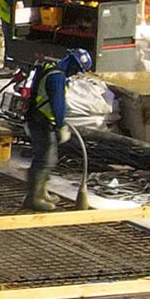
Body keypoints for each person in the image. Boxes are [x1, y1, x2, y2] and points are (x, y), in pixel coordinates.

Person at [22, 49, 94, 212]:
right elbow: (57, 103)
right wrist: (61, 125)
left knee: (47, 157)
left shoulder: (51, 69)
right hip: (41, 122)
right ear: (74, 65)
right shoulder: (57, 77)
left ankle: (41, 192)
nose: (75, 73)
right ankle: (33, 198)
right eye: (76, 70)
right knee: (44, 159)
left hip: (38, 120)